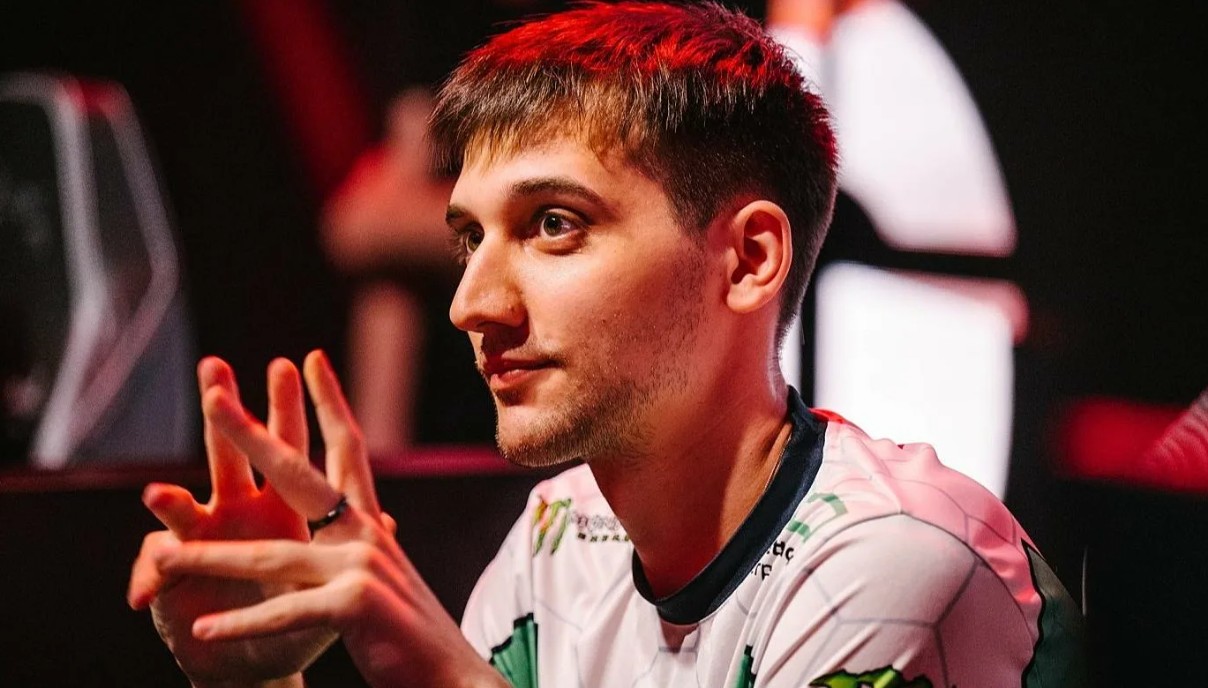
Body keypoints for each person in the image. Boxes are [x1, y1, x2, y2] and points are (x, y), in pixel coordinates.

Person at [127, 3, 1085, 686]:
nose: (470, 304)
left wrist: (433, 667)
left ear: (749, 259)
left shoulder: (894, 562)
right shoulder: (562, 531)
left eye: (553, 225)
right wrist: (260, 676)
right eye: (469, 240)